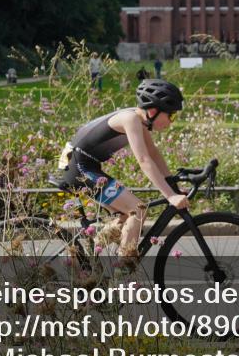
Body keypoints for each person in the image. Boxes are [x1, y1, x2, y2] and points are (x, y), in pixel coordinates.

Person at [56, 79, 189, 270]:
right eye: (171, 115)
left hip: (87, 165)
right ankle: (122, 272)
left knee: (128, 216)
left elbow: (153, 153)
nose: (172, 121)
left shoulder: (139, 120)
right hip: (78, 167)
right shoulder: (131, 119)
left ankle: (86, 255)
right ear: (153, 111)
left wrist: (173, 185)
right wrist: (170, 196)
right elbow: (144, 160)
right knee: (137, 210)